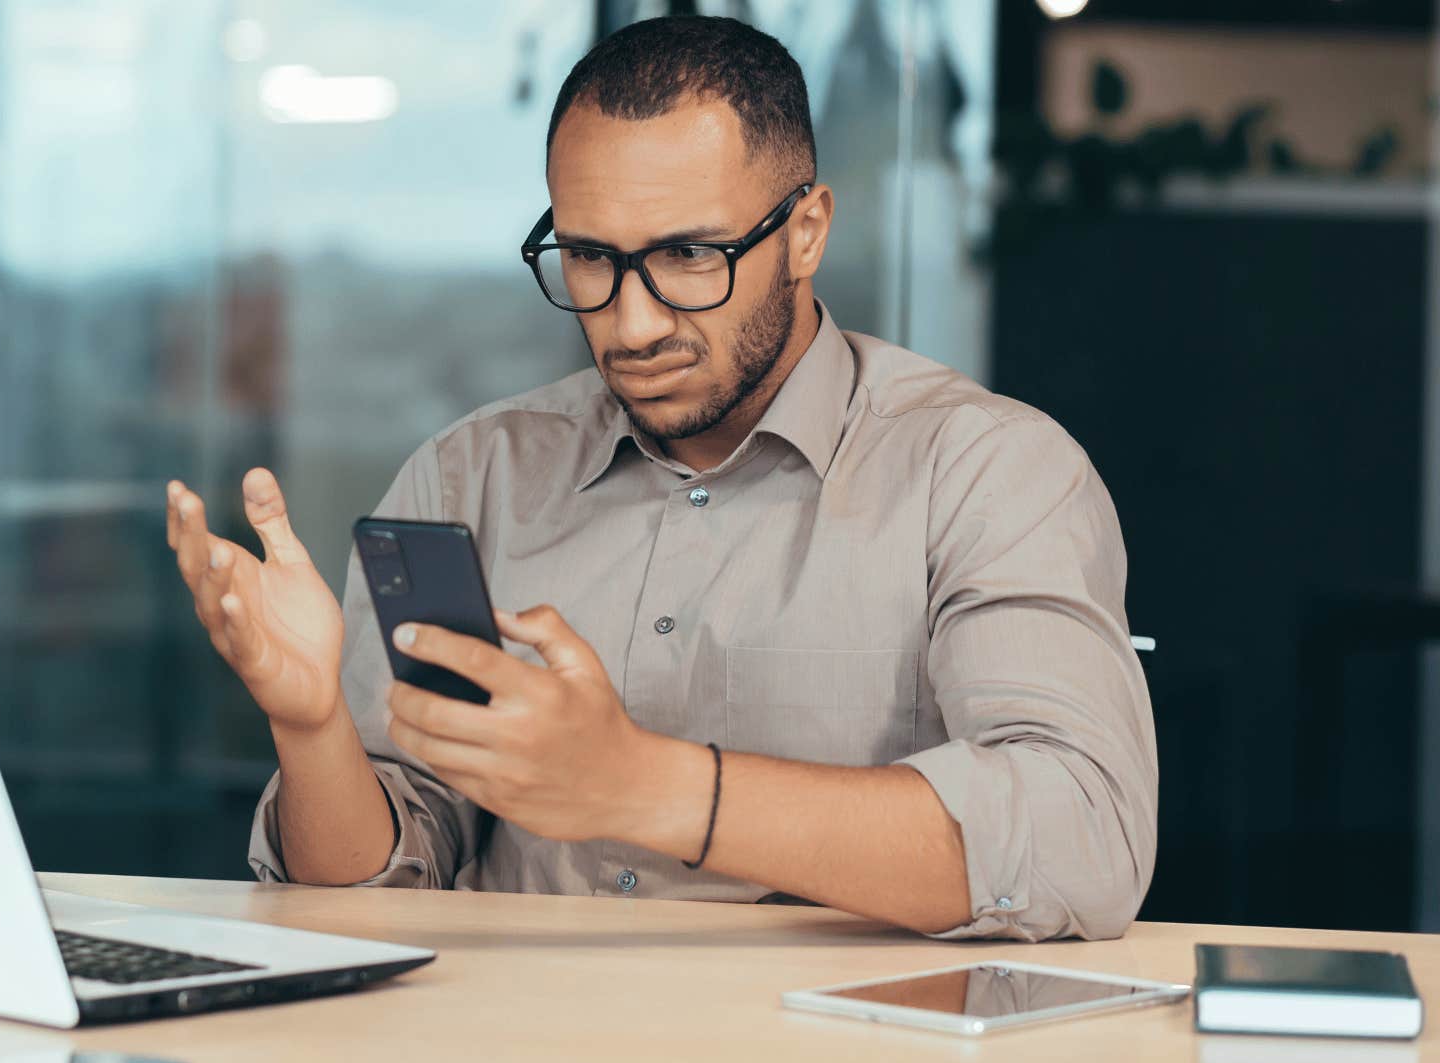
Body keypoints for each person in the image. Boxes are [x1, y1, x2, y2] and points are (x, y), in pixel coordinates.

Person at [165, 14, 1154, 941]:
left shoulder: (988, 473)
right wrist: (312, 728)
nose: (631, 324)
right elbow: (378, 890)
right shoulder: (469, 477)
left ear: (806, 232)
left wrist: (644, 785)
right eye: (590, 257)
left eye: (689, 254)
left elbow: (1085, 838)